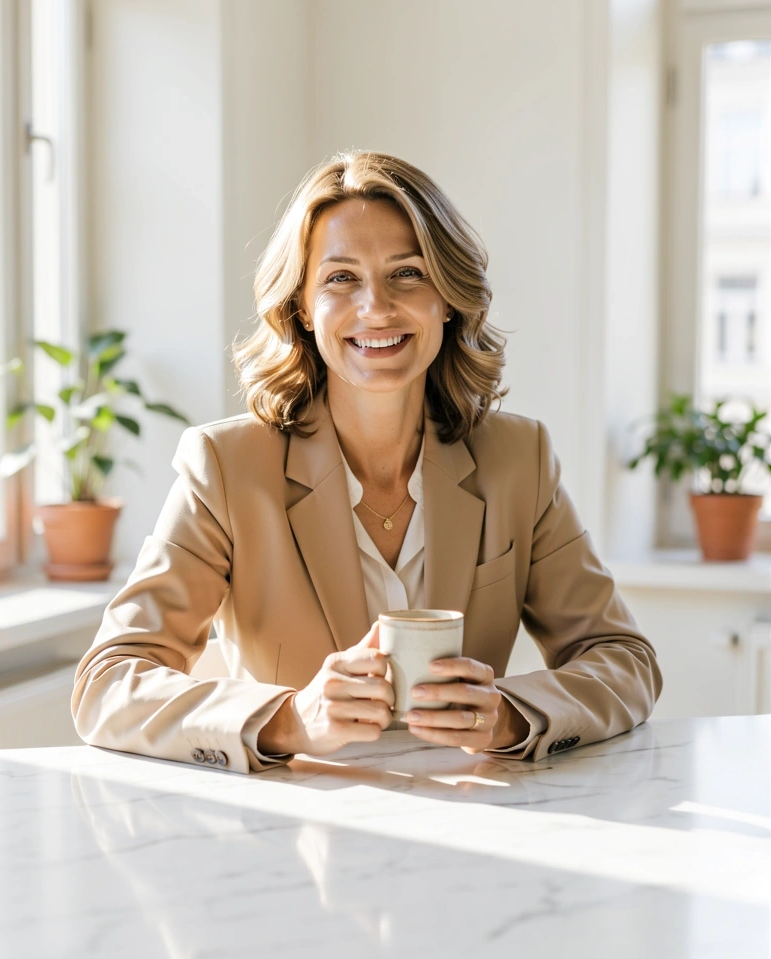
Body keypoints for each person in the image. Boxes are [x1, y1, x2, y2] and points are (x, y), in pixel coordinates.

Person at [71, 151, 662, 774]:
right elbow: (108, 685)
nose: (376, 307)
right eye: (340, 278)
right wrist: (292, 718)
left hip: (477, 816)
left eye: (407, 274)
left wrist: (509, 714)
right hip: (295, 832)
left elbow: (623, 659)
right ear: (301, 306)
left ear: (448, 299)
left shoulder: (520, 459)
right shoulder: (225, 466)